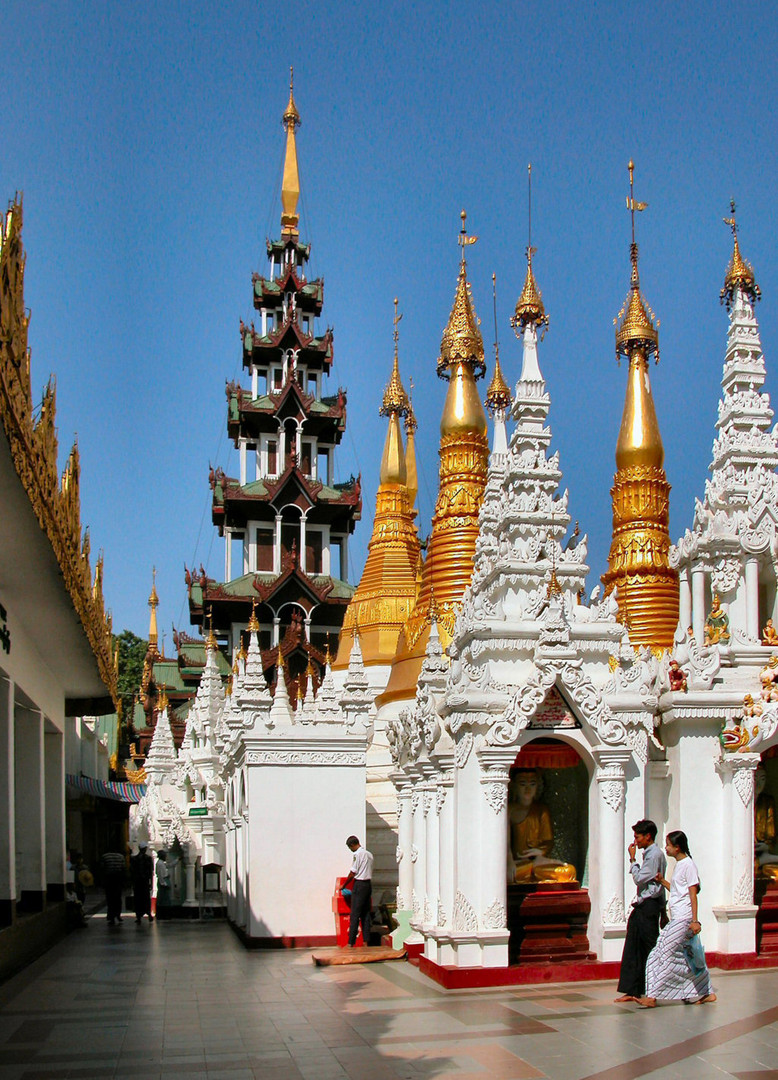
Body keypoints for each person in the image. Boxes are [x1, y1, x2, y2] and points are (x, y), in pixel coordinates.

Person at [638, 830, 716, 1007]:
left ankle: (652, 996)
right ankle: (706, 991)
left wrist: (695, 921)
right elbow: (677, 891)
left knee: (662, 953)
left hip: (684, 918)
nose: (666, 848)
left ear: (677, 847)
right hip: (677, 917)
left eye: (668, 845)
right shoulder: (680, 865)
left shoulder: (688, 865)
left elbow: (692, 894)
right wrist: (662, 881)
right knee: (681, 955)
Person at [615, 819, 667, 1003]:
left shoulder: (653, 856)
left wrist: (632, 859)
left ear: (648, 836)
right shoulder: (652, 854)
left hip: (648, 906)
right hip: (645, 906)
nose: (635, 841)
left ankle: (655, 989)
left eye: (638, 837)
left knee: (649, 947)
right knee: (634, 946)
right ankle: (633, 989)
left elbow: (640, 879)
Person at [507, 769, 577, 883]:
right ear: (514, 786)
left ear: (538, 786)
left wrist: (540, 852)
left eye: (532, 784)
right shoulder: (508, 810)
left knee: (569, 871)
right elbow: (504, 844)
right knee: (506, 875)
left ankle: (534, 873)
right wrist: (509, 861)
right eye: (523, 784)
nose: (528, 789)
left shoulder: (541, 810)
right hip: (517, 863)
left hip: (538, 862)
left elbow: (547, 841)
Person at [342, 835, 373, 947]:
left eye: (350, 848)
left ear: (352, 845)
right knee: (365, 913)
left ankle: (351, 942)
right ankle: (366, 941)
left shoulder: (357, 854)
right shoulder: (369, 854)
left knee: (355, 913)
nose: (351, 850)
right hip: (368, 885)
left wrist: (344, 885)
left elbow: (353, 872)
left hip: (359, 885)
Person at [99, 849, 126, 926]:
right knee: (117, 898)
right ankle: (118, 915)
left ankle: (111, 917)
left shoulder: (105, 856)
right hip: (118, 879)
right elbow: (123, 869)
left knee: (110, 899)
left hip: (109, 880)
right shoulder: (120, 857)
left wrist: (102, 881)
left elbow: (102, 868)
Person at [131, 842, 154, 924]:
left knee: (139, 899)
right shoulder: (147, 858)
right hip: (143, 881)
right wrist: (151, 882)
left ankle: (140, 916)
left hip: (138, 882)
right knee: (145, 898)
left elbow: (132, 872)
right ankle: (147, 914)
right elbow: (151, 871)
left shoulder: (134, 859)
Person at [155, 850, 171, 917]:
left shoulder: (162, 863)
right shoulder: (159, 863)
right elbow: (160, 875)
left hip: (164, 880)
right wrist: (164, 884)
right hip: (163, 882)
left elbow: (169, 865)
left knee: (165, 898)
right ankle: (162, 914)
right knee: (162, 898)